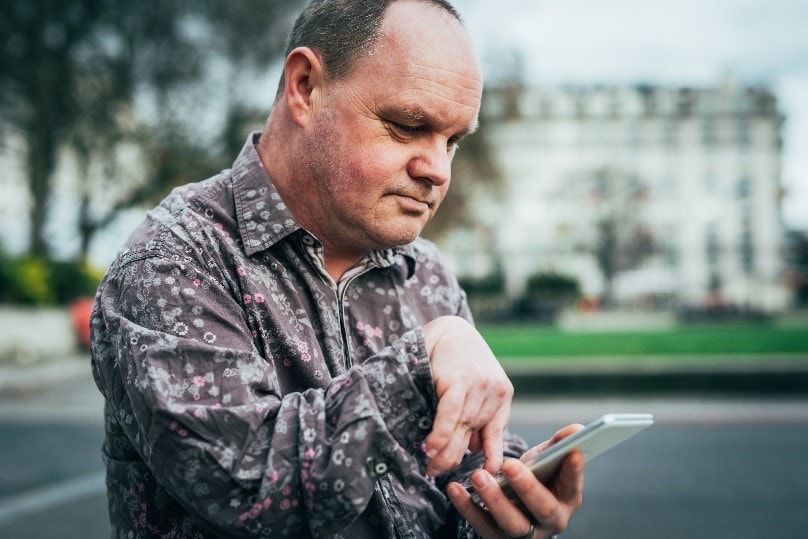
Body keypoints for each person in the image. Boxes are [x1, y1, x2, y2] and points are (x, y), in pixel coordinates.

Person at [89, 0, 585, 537]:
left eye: (453, 141)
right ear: (304, 86)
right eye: (406, 126)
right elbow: (248, 484)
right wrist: (419, 366)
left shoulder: (428, 273)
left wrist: (504, 506)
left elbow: (454, 479)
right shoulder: (173, 260)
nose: (437, 171)